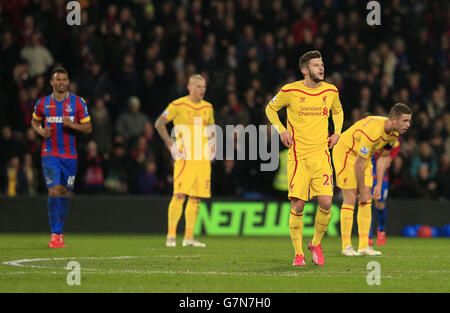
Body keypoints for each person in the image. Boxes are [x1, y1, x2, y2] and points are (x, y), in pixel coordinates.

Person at [265, 50, 344, 266]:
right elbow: (270, 109)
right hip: (298, 157)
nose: (321, 68)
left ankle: (315, 244)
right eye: (317, 65)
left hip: (321, 155)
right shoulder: (289, 90)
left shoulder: (331, 91)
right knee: (298, 205)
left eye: (322, 64)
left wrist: (337, 132)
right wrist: (281, 130)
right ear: (305, 70)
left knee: (326, 202)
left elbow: (337, 111)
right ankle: (298, 254)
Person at [333, 103, 411, 256]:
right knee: (351, 196)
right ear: (394, 119)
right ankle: (346, 246)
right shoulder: (373, 133)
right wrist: (362, 189)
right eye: (405, 121)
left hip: (364, 158)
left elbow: (383, 157)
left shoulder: (394, 134)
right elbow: (358, 164)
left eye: (409, 121)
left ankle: (363, 246)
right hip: (346, 153)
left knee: (366, 198)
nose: (408, 125)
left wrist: (379, 183)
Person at [31, 67, 92, 248]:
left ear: (68, 82)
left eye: (64, 80)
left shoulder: (78, 103)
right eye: (58, 80)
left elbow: (88, 128)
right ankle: (55, 234)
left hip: (70, 156)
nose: (61, 83)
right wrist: (41, 131)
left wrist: (71, 124)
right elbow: (34, 121)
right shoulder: (43, 103)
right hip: (50, 153)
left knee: (65, 192)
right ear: (52, 82)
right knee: (54, 190)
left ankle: (59, 231)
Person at [154, 74, 215, 248]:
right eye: (198, 86)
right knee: (179, 194)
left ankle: (189, 237)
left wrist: (212, 145)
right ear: (189, 87)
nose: (201, 90)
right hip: (185, 158)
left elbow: (211, 127)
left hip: (202, 159)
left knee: (196, 197)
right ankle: (171, 236)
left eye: (203, 87)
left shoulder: (208, 107)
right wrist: (170, 144)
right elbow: (159, 123)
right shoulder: (177, 105)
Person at [369, 140, 400, 247]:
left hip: (382, 176)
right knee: (366, 204)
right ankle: (367, 236)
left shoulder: (388, 137)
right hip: (367, 172)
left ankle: (381, 231)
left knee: (380, 206)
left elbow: (396, 146)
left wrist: (390, 158)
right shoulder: (369, 134)